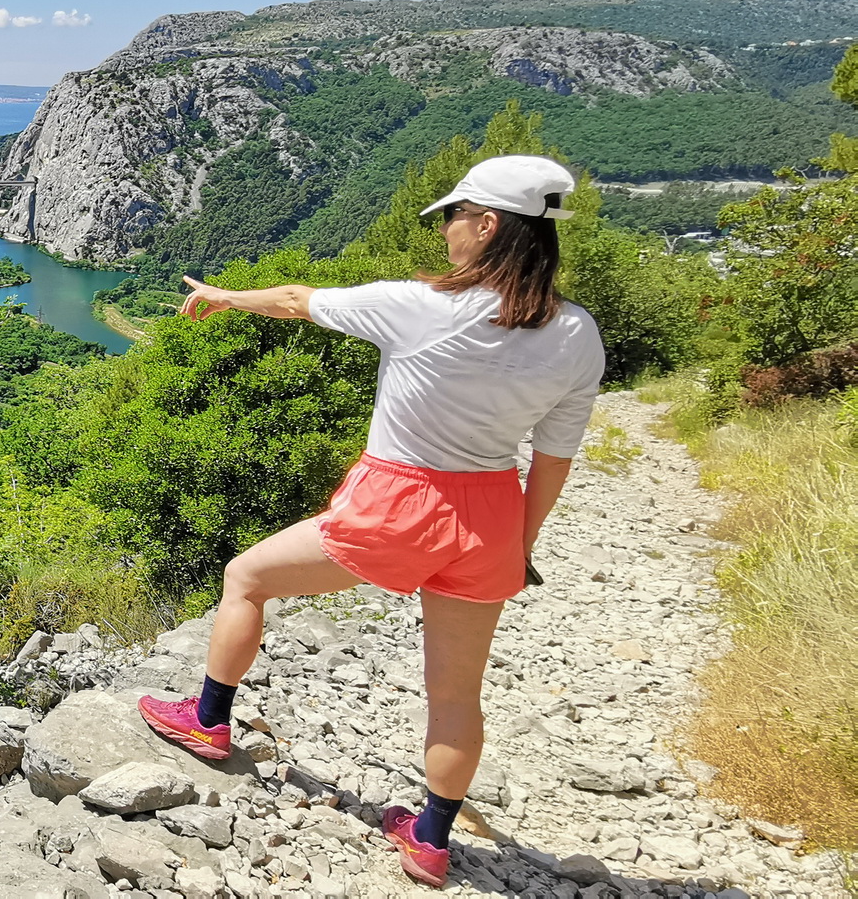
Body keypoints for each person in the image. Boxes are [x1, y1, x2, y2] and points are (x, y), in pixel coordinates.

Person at [134, 154, 606, 889]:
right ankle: (430, 841)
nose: (446, 229)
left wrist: (225, 296)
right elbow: (553, 458)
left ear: (488, 225)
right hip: (491, 514)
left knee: (246, 577)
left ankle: (208, 719)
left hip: (398, 503)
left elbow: (296, 299)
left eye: (454, 216)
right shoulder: (577, 333)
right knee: (457, 695)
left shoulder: (417, 306)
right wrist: (519, 545)